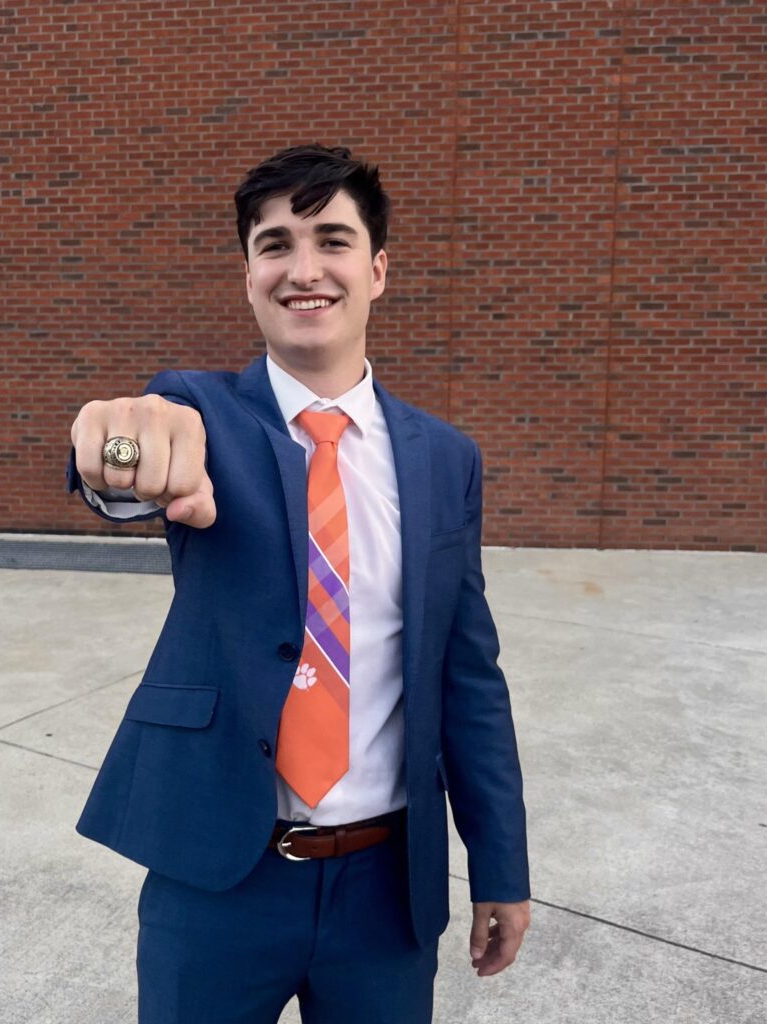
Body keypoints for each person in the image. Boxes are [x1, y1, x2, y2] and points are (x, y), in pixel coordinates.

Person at [66, 143, 530, 1024]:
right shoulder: (199, 413)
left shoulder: (447, 460)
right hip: (217, 878)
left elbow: (469, 676)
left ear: (378, 269)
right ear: (248, 276)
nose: (304, 268)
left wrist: (501, 865)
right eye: (275, 244)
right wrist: (119, 450)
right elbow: (132, 458)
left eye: (332, 239)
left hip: (386, 892)